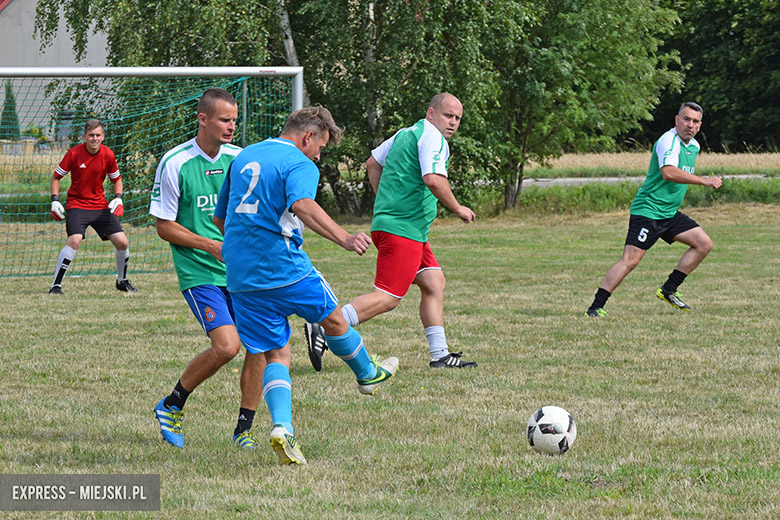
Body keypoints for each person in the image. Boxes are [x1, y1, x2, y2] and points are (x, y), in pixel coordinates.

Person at [213, 105, 398, 465]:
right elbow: (302, 204)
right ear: (308, 136)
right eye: (320, 147)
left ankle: (283, 428)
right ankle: (367, 374)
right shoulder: (299, 162)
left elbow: (222, 218)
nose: (318, 156)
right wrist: (345, 237)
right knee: (334, 319)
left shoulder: (244, 156)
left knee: (276, 353)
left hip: (240, 273)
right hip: (283, 266)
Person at [304, 92, 477, 371]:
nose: (453, 122)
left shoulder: (406, 133)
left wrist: (385, 200)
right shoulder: (433, 138)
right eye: (448, 115)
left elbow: (372, 163)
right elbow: (433, 179)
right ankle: (325, 325)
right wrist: (458, 208)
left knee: (434, 283)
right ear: (431, 113)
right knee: (388, 297)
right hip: (403, 230)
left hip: (404, 228)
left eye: (458, 118)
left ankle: (440, 355)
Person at [149, 88, 263, 450]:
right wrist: (212, 246)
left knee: (259, 345)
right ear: (203, 119)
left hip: (242, 272)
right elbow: (164, 226)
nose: (232, 126)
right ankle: (172, 404)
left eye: (234, 120)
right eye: (224, 120)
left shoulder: (240, 159)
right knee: (228, 347)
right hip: (200, 272)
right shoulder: (176, 162)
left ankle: (244, 430)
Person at [586, 102, 722, 317]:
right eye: (686, 119)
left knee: (703, 244)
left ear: (700, 125)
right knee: (630, 261)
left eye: (695, 121)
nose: (690, 125)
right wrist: (704, 181)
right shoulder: (668, 141)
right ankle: (595, 307)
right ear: (677, 120)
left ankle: (668, 289)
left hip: (669, 213)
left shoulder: (694, 146)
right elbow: (668, 172)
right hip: (648, 211)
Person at [48, 119, 137, 294]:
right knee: (74, 240)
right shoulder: (74, 154)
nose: (94, 138)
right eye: (91, 135)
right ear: (84, 137)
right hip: (77, 205)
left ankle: (121, 281)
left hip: (100, 206)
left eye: (98, 135)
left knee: (123, 242)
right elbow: (55, 178)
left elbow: (117, 180)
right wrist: (55, 200)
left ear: (103, 136)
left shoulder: (108, 154)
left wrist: (118, 198)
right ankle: (55, 286)